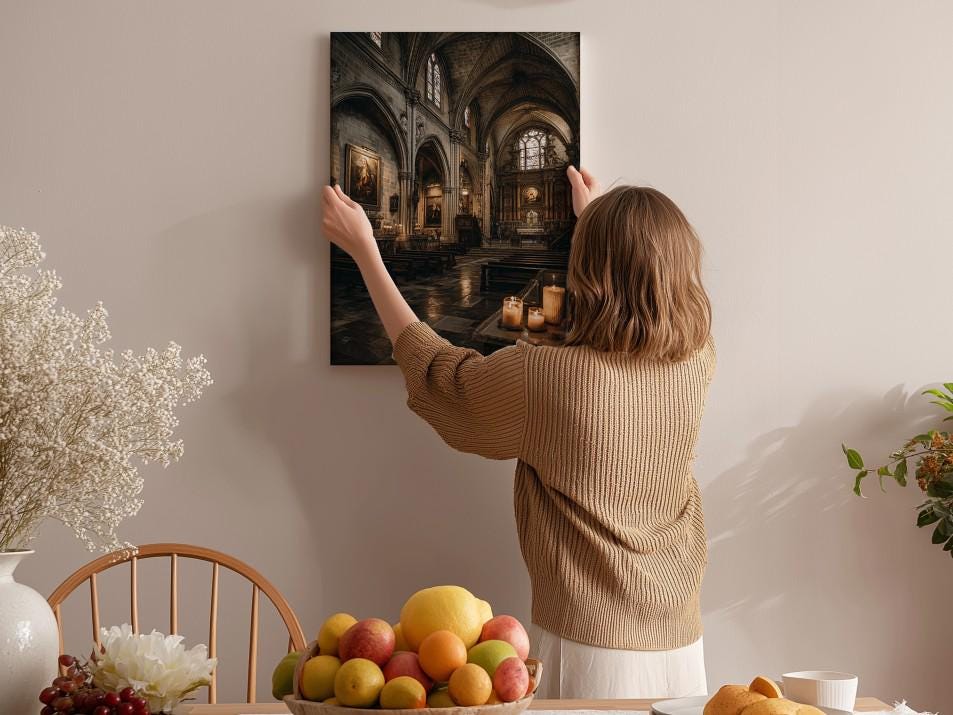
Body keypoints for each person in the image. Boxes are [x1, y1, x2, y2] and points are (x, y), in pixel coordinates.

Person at [322, 166, 715, 699]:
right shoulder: (696, 359)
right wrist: (596, 221)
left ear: (588, 269)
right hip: (682, 642)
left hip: (589, 647)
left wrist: (366, 250)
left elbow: (441, 375)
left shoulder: (547, 377)